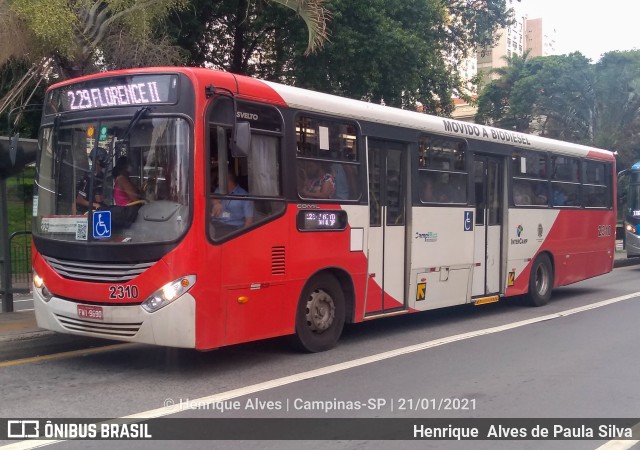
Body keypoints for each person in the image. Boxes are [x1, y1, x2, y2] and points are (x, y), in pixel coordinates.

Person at [75, 148, 107, 214]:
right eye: (103, 158)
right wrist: (95, 205)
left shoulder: (101, 176)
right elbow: (79, 199)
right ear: (97, 160)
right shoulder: (88, 177)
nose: (105, 161)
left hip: (98, 212)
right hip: (86, 214)